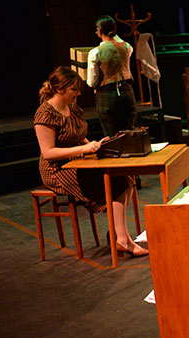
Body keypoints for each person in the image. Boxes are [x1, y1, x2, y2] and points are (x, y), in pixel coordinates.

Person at [34, 66, 147, 256]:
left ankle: (120, 235)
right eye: (74, 89)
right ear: (60, 89)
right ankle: (121, 239)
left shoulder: (72, 107)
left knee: (126, 177)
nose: (78, 93)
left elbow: (79, 136)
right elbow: (48, 153)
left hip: (77, 161)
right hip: (56, 170)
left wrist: (96, 146)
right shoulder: (45, 114)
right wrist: (84, 149)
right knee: (117, 184)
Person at [87, 15, 136, 137]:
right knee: (130, 134)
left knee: (112, 136)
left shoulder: (95, 52)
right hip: (127, 92)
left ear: (98, 30)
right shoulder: (127, 47)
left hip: (107, 95)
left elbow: (92, 82)